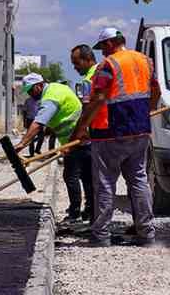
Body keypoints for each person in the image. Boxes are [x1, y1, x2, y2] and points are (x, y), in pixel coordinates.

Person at [69, 26, 160, 246]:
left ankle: (101, 236)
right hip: (139, 130)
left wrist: (80, 129)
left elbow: (98, 98)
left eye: (102, 48)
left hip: (110, 133)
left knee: (105, 183)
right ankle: (146, 233)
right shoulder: (145, 61)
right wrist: (145, 112)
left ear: (110, 44)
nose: (102, 53)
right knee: (138, 181)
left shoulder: (108, 65)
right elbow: (155, 90)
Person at [15, 72, 86, 219]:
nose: (29, 94)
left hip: (77, 139)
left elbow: (38, 123)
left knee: (72, 176)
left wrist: (22, 143)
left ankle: (76, 213)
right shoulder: (56, 88)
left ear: (39, 86)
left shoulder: (50, 98)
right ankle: (87, 211)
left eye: (30, 90)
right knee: (84, 176)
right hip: (77, 137)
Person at [64, 45, 99, 220]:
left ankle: (85, 215)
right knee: (89, 176)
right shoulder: (101, 72)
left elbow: (86, 113)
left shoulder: (89, 80)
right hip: (103, 134)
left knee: (76, 175)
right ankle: (91, 213)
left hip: (93, 135)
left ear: (87, 59)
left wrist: (73, 138)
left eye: (76, 63)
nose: (74, 67)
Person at [20, 85, 43, 155]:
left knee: (41, 137)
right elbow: (24, 112)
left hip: (39, 120)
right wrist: (24, 122)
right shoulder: (28, 101)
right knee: (31, 138)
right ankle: (31, 153)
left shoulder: (41, 100)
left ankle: (37, 149)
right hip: (30, 120)